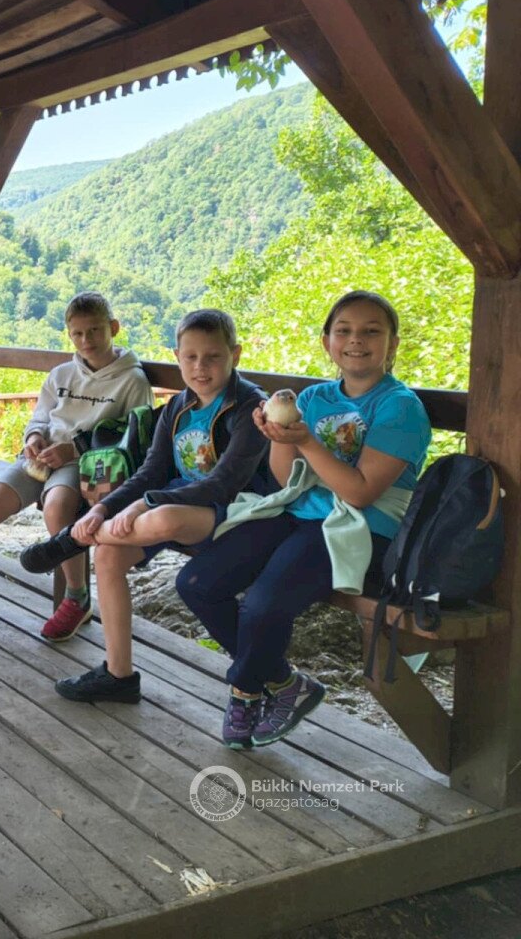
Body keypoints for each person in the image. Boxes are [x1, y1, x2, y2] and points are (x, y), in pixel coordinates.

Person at [179, 291, 430, 749]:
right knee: (197, 582)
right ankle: (285, 683)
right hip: (299, 512)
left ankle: (244, 691)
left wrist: (309, 441)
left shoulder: (399, 406)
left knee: (263, 604)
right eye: (344, 331)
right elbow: (284, 478)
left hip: (360, 527)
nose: (356, 340)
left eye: (371, 331)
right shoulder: (315, 397)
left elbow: (360, 492)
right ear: (326, 341)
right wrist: (280, 437)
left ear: (392, 343)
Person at [20, 309, 272, 703]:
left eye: (213, 357)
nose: (200, 367)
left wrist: (144, 504)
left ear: (235, 355)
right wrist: (102, 510)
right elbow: (151, 472)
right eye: (190, 357)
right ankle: (118, 674)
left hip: (236, 510)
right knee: (107, 553)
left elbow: (225, 483)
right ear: (177, 357)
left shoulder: (250, 406)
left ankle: (71, 540)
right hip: (177, 504)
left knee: (162, 516)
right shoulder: (177, 407)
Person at [0, 293, 153, 635]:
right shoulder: (62, 373)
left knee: (57, 507)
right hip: (41, 456)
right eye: (78, 333)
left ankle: (77, 598)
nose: (86, 340)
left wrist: (73, 450)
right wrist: (33, 438)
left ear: (114, 328)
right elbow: (40, 418)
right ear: (69, 335)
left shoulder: (132, 380)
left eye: (95, 330)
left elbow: (134, 436)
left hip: (86, 462)